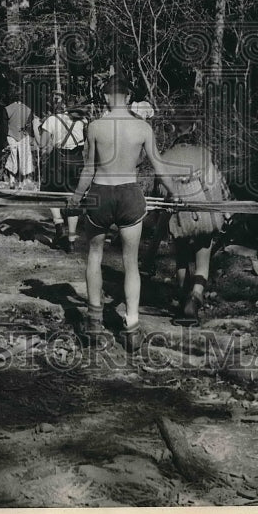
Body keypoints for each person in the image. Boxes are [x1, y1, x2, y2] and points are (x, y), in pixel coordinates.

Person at [69, 74, 168, 352]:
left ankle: (93, 322)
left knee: (95, 255)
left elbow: (88, 168)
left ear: (105, 97)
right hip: (129, 194)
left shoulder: (96, 127)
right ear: (128, 97)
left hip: (100, 192)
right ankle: (133, 327)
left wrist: (76, 197)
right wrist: (176, 192)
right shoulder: (143, 128)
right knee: (131, 263)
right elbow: (159, 167)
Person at [155, 120, 230, 326]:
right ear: (194, 129)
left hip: (179, 217)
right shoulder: (204, 154)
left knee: (181, 258)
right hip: (205, 215)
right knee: (202, 261)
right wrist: (227, 210)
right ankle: (194, 299)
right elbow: (219, 186)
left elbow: (159, 194)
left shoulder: (164, 158)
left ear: (173, 132)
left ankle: (182, 301)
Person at [40, 94, 87, 252]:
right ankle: (72, 240)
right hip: (77, 160)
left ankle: (59, 223)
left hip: (58, 159)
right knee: (73, 197)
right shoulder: (83, 121)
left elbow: (42, 144)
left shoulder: (51, 120)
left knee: (50, 192)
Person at [5, 93, 39, 188]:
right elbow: (29, 126)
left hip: (11, 135)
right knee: (24, 157)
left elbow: (4, 124)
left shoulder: (8, 108)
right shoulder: (28, 109)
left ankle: (12, 179)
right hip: (23, 136)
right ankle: (23, 180)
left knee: (13, 156)